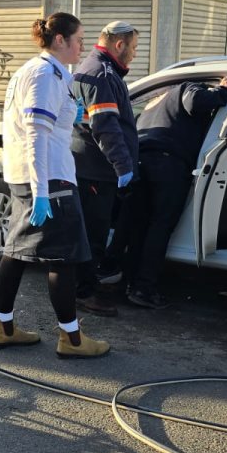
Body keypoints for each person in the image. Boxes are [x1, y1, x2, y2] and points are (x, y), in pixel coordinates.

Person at [0, 12, 109, 359]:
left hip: (31, 175)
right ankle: (71, 339)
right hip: (48, 178)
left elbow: (46, 125)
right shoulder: (44, 74)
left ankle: (5, 328)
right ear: (60, 40)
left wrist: (73, 113)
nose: (82, 47)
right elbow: (35, 134)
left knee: (17, 251)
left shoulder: (40, 71)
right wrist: (43, 192)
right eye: (79, 40)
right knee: (63, 257)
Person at [123, 77, 227, 308]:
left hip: (142, 163)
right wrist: (222, 92)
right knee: (160, 227)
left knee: (139, 226)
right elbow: (195, 101)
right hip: (168, 166)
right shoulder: (188, 88)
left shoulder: (157, 99)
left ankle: (129, 282)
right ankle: (143, 289)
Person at [70, 21, 139, 317]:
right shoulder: (100, 73)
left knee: (93, 233)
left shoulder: (100, 69)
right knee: (93, 236)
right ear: (119, 45)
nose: (135, 54)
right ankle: (83, 294)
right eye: (134, 48)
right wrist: (123, 166)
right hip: (95, 170)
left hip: (94, 167)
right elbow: (106, 126)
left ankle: (87, 284)